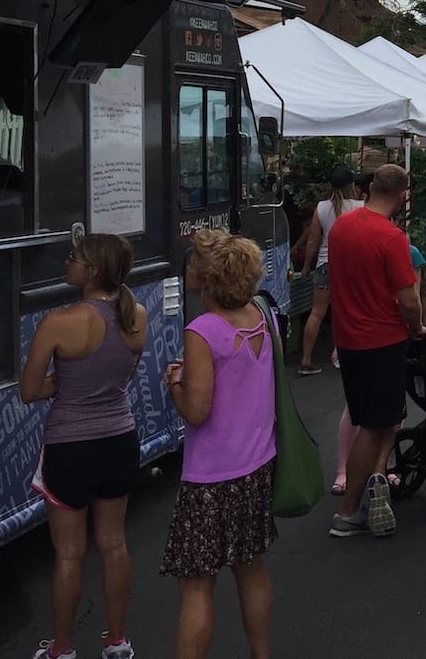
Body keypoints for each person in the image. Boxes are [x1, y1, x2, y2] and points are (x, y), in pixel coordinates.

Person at [21, 234, 148, 659]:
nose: (67, 261)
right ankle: (117, 641)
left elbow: (29, 390)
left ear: (93, 271)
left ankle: (62, 648)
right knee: (114, 543)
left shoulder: (58, 322)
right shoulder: (137, 316)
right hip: (119, 438)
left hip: (69, 446)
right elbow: (121, 377)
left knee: (69, 554)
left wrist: (64, 383)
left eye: (74, 257)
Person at [159, 231, 276, 659]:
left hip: (210, 477)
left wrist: (175, 383)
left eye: (191, 263)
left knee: (195, 585)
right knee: (251, 569)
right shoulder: (263, 315)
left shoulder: (202, 330)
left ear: (205, 277)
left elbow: (196, 411)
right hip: (257, 464)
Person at [326, 163, 426, 539]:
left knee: (377, 417)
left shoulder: (341, 228)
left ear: (369, 188)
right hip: (382, 339)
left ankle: (378, 478)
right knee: (374, 424)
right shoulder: (392, 238)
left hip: (349, 338)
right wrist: (417, 327)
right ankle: (348, 510)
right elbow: (409, 300)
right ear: (403, 195)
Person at [298, 165, 363, 375]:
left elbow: (313, 240)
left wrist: (307, 265)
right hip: (350, 265)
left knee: (317, 313)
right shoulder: (360, 207)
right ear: (351, 185)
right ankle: (338, 353)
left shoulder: (321, 208)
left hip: (325, 264)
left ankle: (306, 359)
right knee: (345, 311)